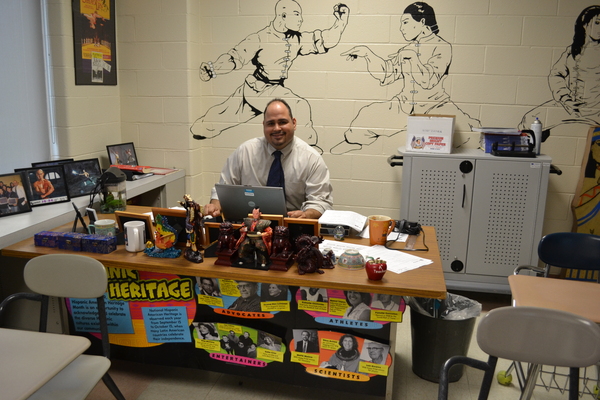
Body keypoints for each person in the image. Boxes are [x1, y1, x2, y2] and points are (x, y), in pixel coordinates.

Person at [190, 1, 350, 150]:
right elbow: (235, 58)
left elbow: (324, 40)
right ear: (283, 16)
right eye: (296, 14)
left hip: (268, 89)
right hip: (258, 87)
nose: (301, 19)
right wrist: (213, 69)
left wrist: (341, 22)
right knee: (299, 105)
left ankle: (199, 129)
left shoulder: (296, 39)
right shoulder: (260, 38)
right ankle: (311, 149)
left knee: (220, 116)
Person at [331, 1, 480, 154]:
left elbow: (428, 81)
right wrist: (367, 54)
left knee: (468, 134)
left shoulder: (442, 46)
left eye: (405, 22)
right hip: (403, 104)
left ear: (422, 21)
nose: (401, 28)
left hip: (435, 105)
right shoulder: (406, 49)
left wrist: (412, 58)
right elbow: (387, 74)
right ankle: (353, 141)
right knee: (366, 114)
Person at [204, 98, 333, 219]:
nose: (277, 128)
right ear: (264, 125)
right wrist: (215, 205)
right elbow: (223, 190)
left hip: (293, 227)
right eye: (271, 123)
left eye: (282, 122)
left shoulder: (312, 159)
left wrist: (306, 215)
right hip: (250, 226)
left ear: (294, 123)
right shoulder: (245, 152)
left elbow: (320, 202)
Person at [520, 6, 600, 131]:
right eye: (597, 23)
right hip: (570, 106)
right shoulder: (573, 50)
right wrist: (565, 98)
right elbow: (556, 74)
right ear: (585, 24)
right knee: (529, 119)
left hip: (594, 110)